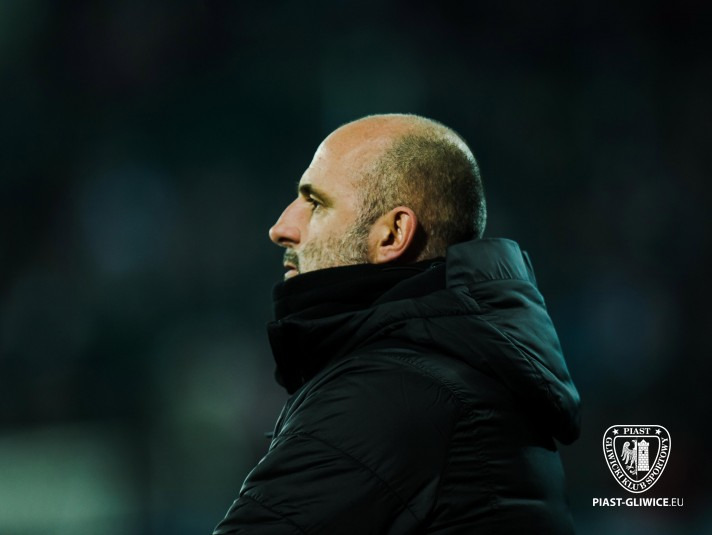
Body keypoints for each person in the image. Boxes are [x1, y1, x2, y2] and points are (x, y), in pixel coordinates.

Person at [213, 114, 581, 534]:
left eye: (315, 203)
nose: (281, 228)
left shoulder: (390, 393)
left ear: (392, 234)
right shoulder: (462, 368)